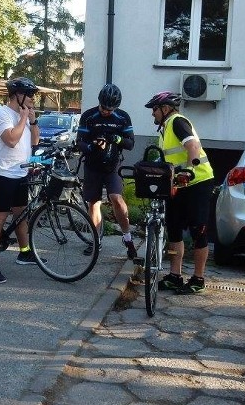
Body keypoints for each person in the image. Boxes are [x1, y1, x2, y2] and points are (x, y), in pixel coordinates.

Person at [144, 91, 216, 294]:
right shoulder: (165, 129)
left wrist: (190, 169)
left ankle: (198, 279)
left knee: (198, 230)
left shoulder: (177, 121)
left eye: (154, 110)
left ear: (165, 109)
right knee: (174, 229)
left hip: (198, 182)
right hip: (178, 185)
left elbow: (192, 146)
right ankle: (175, 276)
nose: (152, 114)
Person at [0, 77, 41, 284]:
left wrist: (32, 121)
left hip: (20, 172)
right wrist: (24, 118)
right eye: (30, 95)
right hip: (2, 173)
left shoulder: (22, 115)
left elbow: (34, 141)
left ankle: (24, 253)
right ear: (18, 95)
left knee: (20, 216)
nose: (33, 99)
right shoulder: (2, 114)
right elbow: (11, 140)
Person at [76, 83, 137, 258]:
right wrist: (91, 146)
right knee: (93, 203)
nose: (106, 112)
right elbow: (79, 142)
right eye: (104, 108)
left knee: (116, 198)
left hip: (112, 165)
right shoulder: (89, 116)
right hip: (93, 165)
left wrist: (116, 138)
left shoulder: (122, 117)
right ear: (99, 102)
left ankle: (127, 238)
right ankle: (96, 241)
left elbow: (130, 143)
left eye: (110, 109)